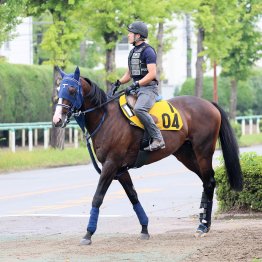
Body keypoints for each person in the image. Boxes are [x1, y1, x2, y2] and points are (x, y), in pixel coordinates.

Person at [111, 21, 165, 151]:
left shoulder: (149, 51)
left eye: (130, 33)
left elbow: (152, 74)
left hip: (149, 89)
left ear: (138, 36)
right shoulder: (132, 52)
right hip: (137, 88)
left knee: (139, 109)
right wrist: (118, 82)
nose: (128, 35)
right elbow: (129, 74)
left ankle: (158, 139)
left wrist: (136, 84)